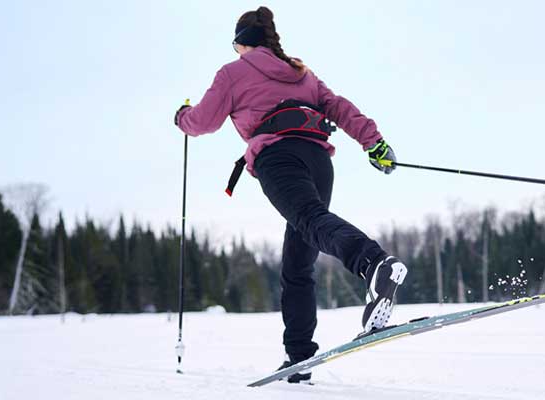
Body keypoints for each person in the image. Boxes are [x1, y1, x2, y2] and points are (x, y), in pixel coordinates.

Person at [174, 6, 408, 384]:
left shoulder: (232, 73)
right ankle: (299, 357)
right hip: (318, 161)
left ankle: (373, 263)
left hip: (278, 157)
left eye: (236, 47)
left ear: (242, 43)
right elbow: (339, 107)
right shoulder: (302, 73)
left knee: (310, 221)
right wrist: (374, 142)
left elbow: (202, 121)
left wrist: (181, 117)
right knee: (298, 262)